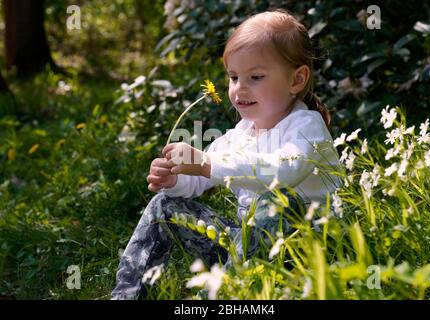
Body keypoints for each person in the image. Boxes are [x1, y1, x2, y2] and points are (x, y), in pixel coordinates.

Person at [111, 9, 341, 300]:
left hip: (308, 251)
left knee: (277, 201)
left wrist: (206, 163)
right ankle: (127, 295)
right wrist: (175, 178)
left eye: (255, 77)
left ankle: (222, 295)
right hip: (248, 251)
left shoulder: (305, 126)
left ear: (296, 80)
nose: (239, 89)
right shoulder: (240, 134)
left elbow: (283, 172)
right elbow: (198, 182)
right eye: (233, 77)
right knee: (164, 205)